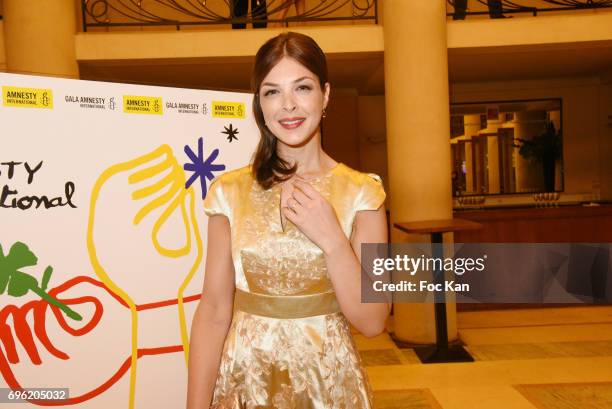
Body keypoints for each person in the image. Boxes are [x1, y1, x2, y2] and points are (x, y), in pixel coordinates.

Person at [186, 32, 390, 408]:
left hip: (328, 386)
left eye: (303, 87)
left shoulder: (363, 193)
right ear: (259, 104)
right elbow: (214, 311)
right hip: (245, 383)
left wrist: (332, 240)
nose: (289, 106)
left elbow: (373, 321)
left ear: (325, 95)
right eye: (272, 92)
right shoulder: (229, 192)